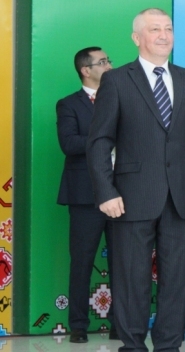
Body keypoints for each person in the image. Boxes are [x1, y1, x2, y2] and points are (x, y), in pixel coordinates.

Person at [87, 8, 185, 351]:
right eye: (154, 29)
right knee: (131, 278)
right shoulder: (117, 80)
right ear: (137, 38)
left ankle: (169, 345)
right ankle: (132, 345)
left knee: (177, 278)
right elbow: (100, 141)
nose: (164, 35)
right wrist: (106, 190)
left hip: (183, 197)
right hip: (131, 197)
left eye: (168, 28)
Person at [56, 46, 115, 343]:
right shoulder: (68, 104)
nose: (109, 65)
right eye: (102, 62)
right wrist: (107, 138)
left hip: (122, 193)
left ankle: (123, 323)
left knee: (125, 261)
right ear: (85, 70)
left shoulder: (121, 100)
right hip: (85, 196)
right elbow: (69, 144)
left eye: (109, 60)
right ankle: (78, 325)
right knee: (81, 261)